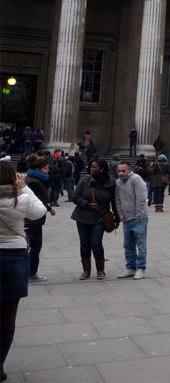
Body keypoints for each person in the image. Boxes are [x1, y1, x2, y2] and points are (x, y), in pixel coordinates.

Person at [0, 159, 47, 382]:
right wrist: (24, 187)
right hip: (14, 256)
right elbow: (39, 212)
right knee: (7, 316)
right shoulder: (21, 197)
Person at [71, 159, 118, 280]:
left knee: (96, 243)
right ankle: (86, 270)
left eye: (94, 167)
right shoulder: (85, 180)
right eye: (91, 167)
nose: (91, 169)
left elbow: (114, 201)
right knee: (84, 244)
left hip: (100, 216)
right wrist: (87, 204)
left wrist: (117, 218)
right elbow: (75, 197)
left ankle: (101, 270)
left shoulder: (112, 183)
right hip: (82, 216)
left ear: (102, 169)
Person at [114, 162, 148, 280]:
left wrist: (139, 214)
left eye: (123, 171)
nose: (121, 173)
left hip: (139, 218)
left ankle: (141, 268)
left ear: (129, 170)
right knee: (128, 244)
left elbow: (141, 197)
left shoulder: (136, 179)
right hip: (126, 218)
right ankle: (130, 267)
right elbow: (117, 200)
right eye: (119, 171)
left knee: (141, 244)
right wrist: (121, 215)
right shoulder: (118, 182)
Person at [22, 155, 52, 283]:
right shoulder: (33, 182)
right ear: (38, 169)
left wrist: (48, 208)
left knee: (32, 246)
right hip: (32, 220)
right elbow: (33, 201)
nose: (47, 171)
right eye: (45, 169)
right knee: (34, 246)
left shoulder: (32, 179)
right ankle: (31, 273)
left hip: (33, 219)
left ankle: (29, 272)